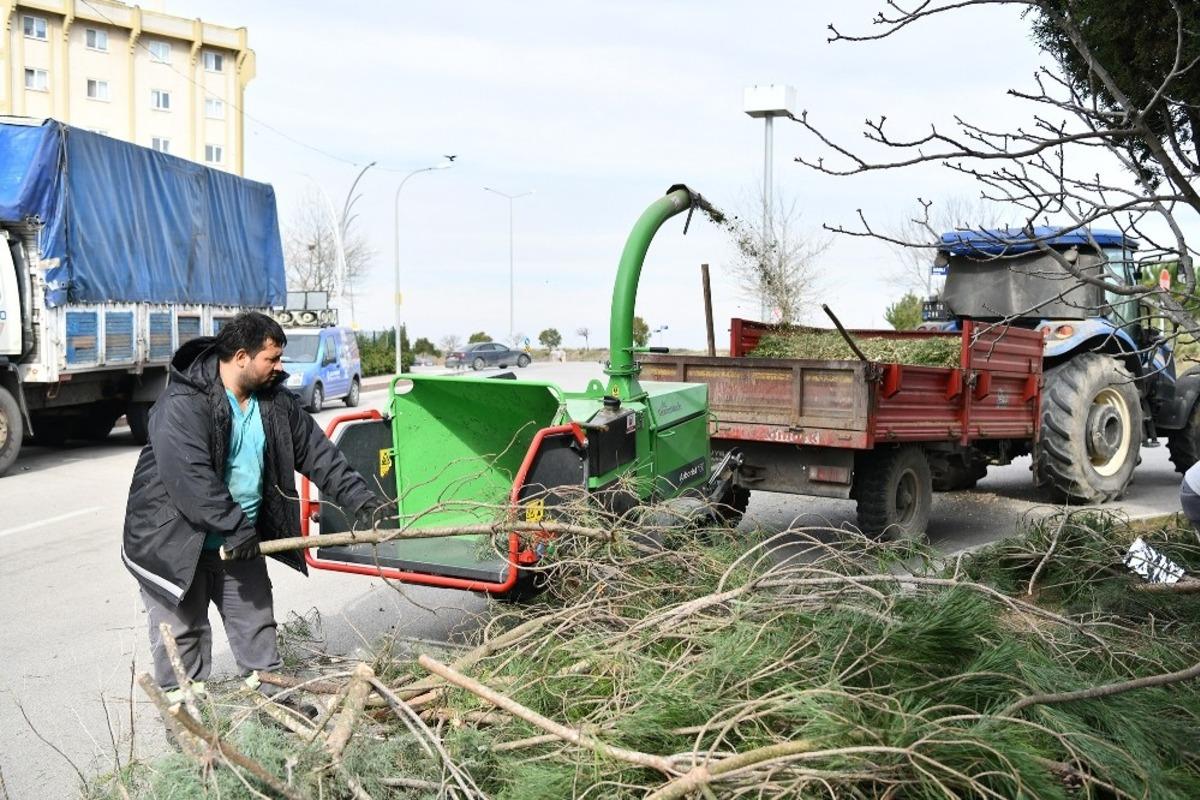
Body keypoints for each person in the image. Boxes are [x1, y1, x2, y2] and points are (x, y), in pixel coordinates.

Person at [121, 312, 387, 699]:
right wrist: (235, 527)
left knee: (257, 628)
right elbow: (192, 479)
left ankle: (274, 708)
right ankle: (186, 723)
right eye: (272, 358)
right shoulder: (183, 402)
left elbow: (319, 455)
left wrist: (360, 499)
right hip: (173, 544)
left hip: (237, 541)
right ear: (242, 357)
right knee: (182, 641)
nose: (280, 366)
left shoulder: (274, 402)